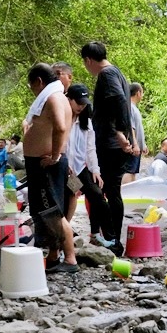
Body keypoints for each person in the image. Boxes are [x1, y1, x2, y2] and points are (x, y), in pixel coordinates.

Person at [23, 63, 77, 273]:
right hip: (41, 163)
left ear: (39, 81)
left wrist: (55, 156)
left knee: (53, 213)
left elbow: (61, 127)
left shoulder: (54, 97)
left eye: (32, 87)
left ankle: (70, 259)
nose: (34, 91)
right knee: (44, 212)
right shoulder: (57, 96)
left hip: (47, 164)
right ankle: (53, 255)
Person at [81, 42, 133, 254]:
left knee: (101, 190)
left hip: (109, 144)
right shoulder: (117, 72)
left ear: (88, 60)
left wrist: (120, 132)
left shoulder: (106, 75)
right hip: (114, 143)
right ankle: (108, 238)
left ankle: (112, 240)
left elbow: (119, 99)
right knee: (109, 191)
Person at [62, 84, 111, 249]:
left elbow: (90, 149)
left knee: (97, 195)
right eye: (78, 103)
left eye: (84, 104)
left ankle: (96, 234)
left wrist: (95, 170)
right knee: (69, 197)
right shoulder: (62, 118)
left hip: (81, 168)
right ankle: (64, 231)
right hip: (65, 169)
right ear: (69, 99)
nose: (81, 107)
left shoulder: (86, 122)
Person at [123, 82, 148, 184]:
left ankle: (130, 196)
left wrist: (143, 145)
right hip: (132, 146)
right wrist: (135, 144)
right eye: (142, 92)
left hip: (137, 146)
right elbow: (131, 127)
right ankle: (123, 195)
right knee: (129, 171)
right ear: (138, 93)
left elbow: (138, 128)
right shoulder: (129, 107)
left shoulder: (134, 107)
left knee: (133, 172)